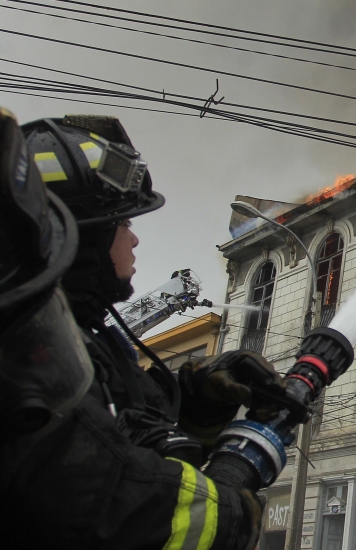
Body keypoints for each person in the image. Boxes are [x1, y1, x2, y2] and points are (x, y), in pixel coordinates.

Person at [2, 114, 286, 549]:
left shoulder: (86, 341)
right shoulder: (31, 361)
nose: (133, 240)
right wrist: (236, 474)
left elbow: (129, 426)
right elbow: (119, 506)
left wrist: (200, 398)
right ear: (84, 235)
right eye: (124, 223)